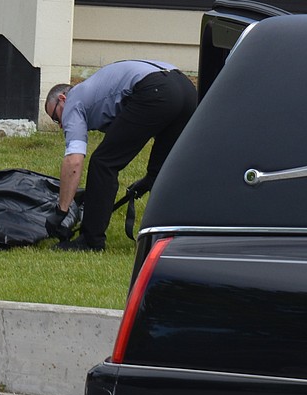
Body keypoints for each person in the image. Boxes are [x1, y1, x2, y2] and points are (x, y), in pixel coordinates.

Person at [43, 60, 197, 252]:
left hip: (156, 89)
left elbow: (74, 161)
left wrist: (61, 211)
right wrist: (149, 179)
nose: (60, 125)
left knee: (103, 163)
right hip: (186, 88)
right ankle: (172, 236)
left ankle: (91, 241)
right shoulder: (96, 93)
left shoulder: (75, 101)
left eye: (57, 117)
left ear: (63, 98)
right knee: (162, 172)